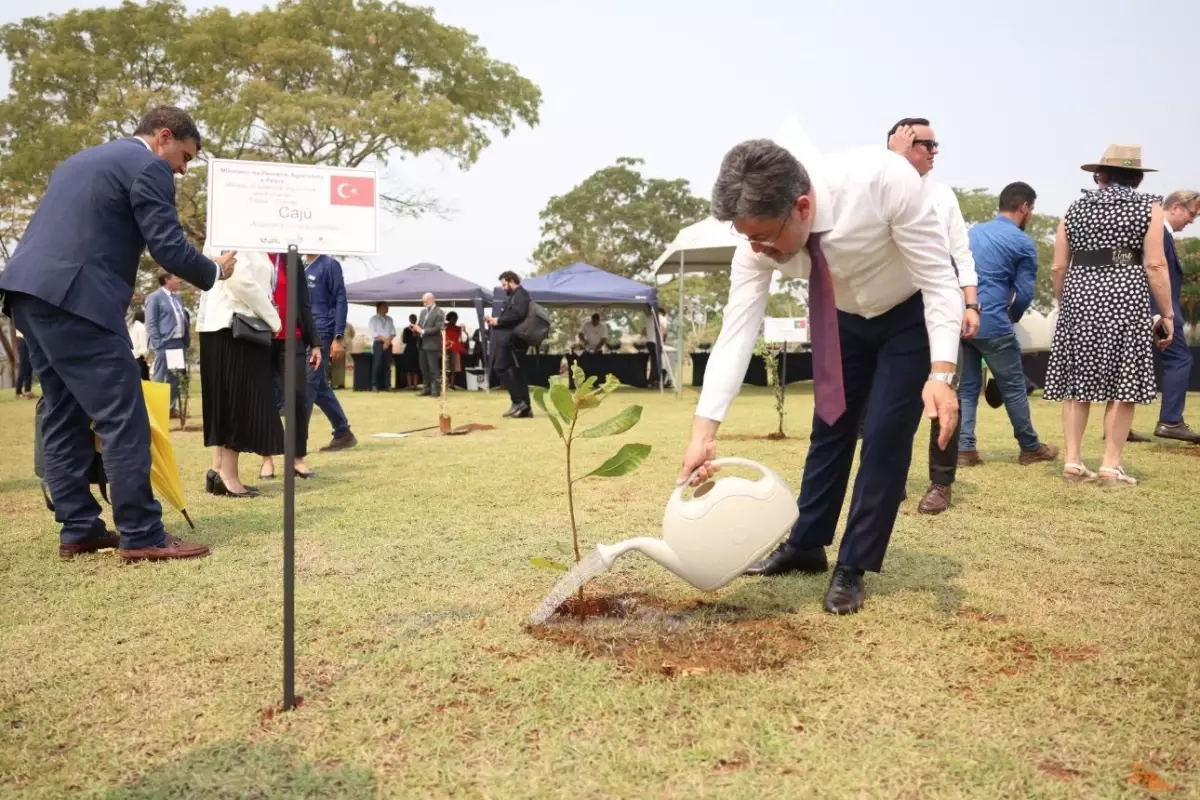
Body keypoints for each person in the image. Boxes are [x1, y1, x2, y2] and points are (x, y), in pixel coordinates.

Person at [679, 132, 962, 615]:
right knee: (830, 425)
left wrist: (941, 372)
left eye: (765, 237)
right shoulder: (756, 242)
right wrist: (704, 432)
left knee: (886, 436)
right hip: (842, 316)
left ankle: (854, 563)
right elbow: (737, 329)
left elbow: (939, 280)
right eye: (746, 238)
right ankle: (806, 545)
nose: (757, 249)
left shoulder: (884, 181)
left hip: (907, 313)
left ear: (803, 207)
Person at [0, 105, 236, 561]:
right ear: (163, 137)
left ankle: (80, 528)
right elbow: (167, 246)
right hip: (79, 301)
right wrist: (214, 269)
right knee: (123, 416)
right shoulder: (149, 165)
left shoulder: (79, 161)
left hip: (27, 296)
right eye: (184, 157)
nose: (183, 170)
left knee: (64, 413)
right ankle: (142, 532)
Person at [1043, 145, 1174, 486]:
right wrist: (1167, 313)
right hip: (1125, 296)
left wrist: (1066, 302)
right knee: (1123, 382)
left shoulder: (1074, 209)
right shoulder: (1150, 207)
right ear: (1137, 177)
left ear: (1101, 174)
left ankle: (1073, 462)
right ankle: (1109, 465)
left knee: (1077, 383)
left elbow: (1058, 266)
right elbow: (1155, 264)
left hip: (1079, 297)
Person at [886, 118, 981, 515]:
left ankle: (940, 484)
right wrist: (892, 162)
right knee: (895, 399)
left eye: (936, 143)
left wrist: (971, 303)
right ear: (902, 144)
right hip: (893, 309)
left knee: (945, 392)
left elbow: (961, 252)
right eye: (926, 143)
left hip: (940, 306)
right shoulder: (880, 187)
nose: (935, 151)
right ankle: (890, 478)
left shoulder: (942, 196)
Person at [958, 182, 1058, 466]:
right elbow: (1024, 294)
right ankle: (1029, 447)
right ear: (1024, 207)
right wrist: (1009, 317)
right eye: (1032, 210)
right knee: (1013, 386)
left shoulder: (971, 233)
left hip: (963, 320)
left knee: (967, 387)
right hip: (994, 323)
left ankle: (965, 449)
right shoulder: (1023, 242)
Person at [198, 250, 283, 496]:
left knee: (227, 403)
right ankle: (229, 476)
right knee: (236, 404)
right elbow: (239, 280)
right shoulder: (234, 229)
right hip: (233, 329)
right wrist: (273, 318)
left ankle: (217, 469)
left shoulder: (230, 230)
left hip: (225, 328)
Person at [260, 252, 322, 480]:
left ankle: (297, 459)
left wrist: (314, 342)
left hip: (291, 337)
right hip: (261, 338)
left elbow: (304, 303)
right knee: (265, 401)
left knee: (297, 399)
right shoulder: (253, 255)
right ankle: (266, 459)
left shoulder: (291, 258)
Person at [1151, 190, 1200, 443]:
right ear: (1176, 208)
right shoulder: (1159, 234)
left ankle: (1118, 428)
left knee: (1131, 364)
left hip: (1156, 314)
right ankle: (1170, 421)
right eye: (1192, 214)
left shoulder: (1161, 235)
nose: (1192, 221)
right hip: (1160, 316)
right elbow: (1152, 274)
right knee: (1179, 359)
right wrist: (1160, 316)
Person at [303, 253, 357, 451]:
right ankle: (343, 432)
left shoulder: (329, 264)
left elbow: (341, 300)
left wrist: (338, 336)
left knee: (308, 383)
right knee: (318, 385)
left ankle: (296, 442)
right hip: (304, 331)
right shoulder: (300, 265)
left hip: (324, 330)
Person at [486, 271, 535, 418]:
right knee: (518, 373)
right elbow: (514, 316)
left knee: (499, 368)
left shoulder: (520, 295)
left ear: (511, 281)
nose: (503, 287)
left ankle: (518, 401)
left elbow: (518, 315)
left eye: (504, 284)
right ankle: (526, 408)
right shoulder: (518, 295)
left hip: (514, 341)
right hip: (516, 340)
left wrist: (498, 321)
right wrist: (496, 321)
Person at [145, 270, 190, 416]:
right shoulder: (155, 297)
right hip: (164, 343)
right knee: (159, 377)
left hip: (178, 343)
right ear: (166, 279)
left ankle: (171, 409)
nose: (179, 280)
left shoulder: (177, 297)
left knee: (174, 377)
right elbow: (151, 322)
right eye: (176, 277)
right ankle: (156, 410)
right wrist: (158, 343)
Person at [415, 292, 445, 396]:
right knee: (423, 368)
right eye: (423, 302)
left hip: (432, 344)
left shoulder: (439, 312)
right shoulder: (423, 312)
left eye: (425, 302)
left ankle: (436, 390)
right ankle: (426, 388)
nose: (424, 304)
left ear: (432, 300)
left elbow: (438, 328)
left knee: (433, 368)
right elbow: (420, 325)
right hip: (422, 343)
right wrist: (415, 328)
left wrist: (423, 331)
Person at [368, 302, 396, 391]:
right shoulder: (373, 319)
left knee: (387, 365)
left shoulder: (390, 319)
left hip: (388, 344)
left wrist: (388, 342)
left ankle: (388, 385)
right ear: (379, 308)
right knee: (377, 364)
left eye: (387, 307)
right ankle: (374, 385)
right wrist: (385, 341)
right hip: (378, 344)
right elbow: (374, 333)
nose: (386, 309)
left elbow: (393, 332)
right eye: (385, 307)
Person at [445, 310, 466, 389]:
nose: (454, 320)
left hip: (455, 349)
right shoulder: (445, 326)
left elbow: (460, 339)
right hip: (446, 348)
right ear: (449, 318)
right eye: (453, 318)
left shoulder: (458, 328)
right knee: (446, 366)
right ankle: (446, 384)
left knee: (453, 367)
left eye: (456, 319)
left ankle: (452, 384)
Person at [401, 313, 422, 389]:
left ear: (416, 320)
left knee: (416, 369)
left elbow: (421, 339)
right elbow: (404, 340)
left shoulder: (419, 329)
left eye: (414, 319)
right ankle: (409, 385)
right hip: (409, 350)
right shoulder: (406, 329)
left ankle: (415, 385)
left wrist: (417, 335)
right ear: (409, 320)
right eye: (412, 319)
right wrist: (413, 336)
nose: (413, 320)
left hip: (417, 350)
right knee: (408, 369)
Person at [129, 310, 150, 381]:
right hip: (139, 357)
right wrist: (147, 356)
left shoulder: (132, 326)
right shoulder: (142, 327)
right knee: (145, 379)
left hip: (131, 355)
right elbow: (143, 345)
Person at [14, 329, 34, 398]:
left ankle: (28, 391)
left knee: (29, 367)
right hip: (22, 340)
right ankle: (18, 392)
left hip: (29, 339)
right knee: (23, 367)